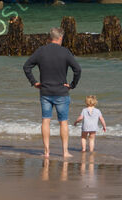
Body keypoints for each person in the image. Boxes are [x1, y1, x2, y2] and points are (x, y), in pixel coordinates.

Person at [23, 27, 82, 158]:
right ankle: (65, 152)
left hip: (45, 92)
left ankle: (46, 152)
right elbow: (77, 69)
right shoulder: (65, 52)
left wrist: (34, 82)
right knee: (63, 122)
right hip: (61, 92)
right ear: (60, 38)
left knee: (45, 121)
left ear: (50, 38)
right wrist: (72, 85)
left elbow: (26, 67)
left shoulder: (41, 51)